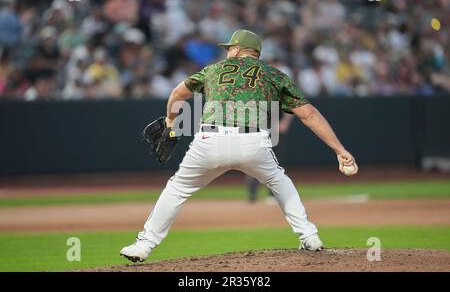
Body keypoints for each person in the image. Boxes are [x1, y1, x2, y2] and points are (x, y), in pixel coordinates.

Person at [120, 29, 358, 262]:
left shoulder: (213, 70)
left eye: (229, 48)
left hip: (209, 142)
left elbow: (177, 93)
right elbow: (309, 115)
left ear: (236, 49)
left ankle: (143, 245)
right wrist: (339, 149)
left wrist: (171, 123)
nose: (227, 52)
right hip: (252, 142)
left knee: (177, 189)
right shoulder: (273, 74)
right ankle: (309, 236)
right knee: (279, 181)